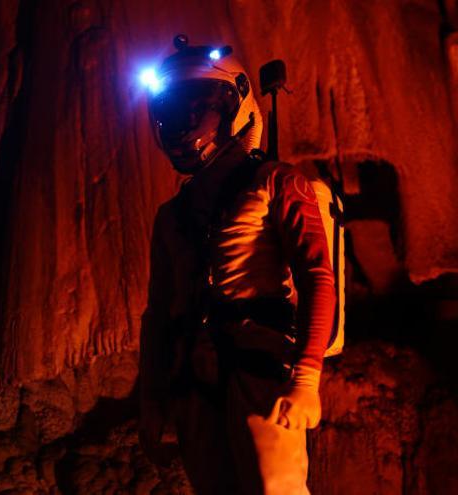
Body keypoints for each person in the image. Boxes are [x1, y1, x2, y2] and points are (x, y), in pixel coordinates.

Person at [138, 35, 337, 494]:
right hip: (194, 380)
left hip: (261, 372)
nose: (186, 122)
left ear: (234, 106)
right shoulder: (171, 216)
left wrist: (306, 377)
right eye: (175, 111)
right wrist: (152, 398)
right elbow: (158, 313)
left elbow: (316, 276)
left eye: (198, 107)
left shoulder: (277, 182)